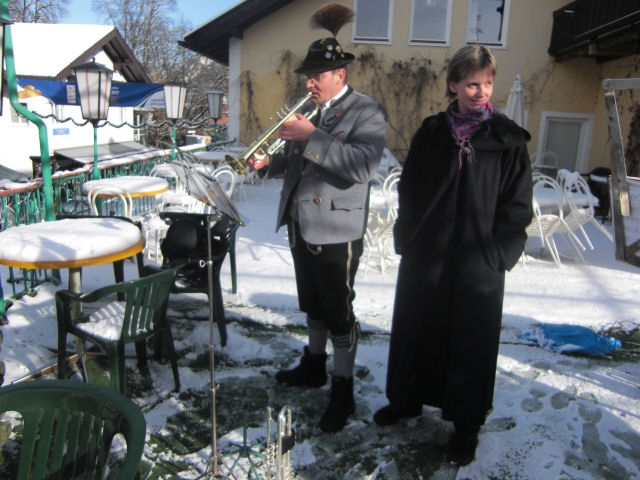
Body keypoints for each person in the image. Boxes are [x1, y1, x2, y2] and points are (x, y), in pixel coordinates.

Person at [373, 45, 533, 465]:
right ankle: (406, 399)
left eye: (487, 83)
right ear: (454, 84)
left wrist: (500, 253)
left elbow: (517, 205)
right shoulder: (432, 133)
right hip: (426, 255)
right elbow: (409, 188)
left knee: (470, 342)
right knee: (417, 328)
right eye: (472, 83)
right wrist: (407, 237)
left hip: (478, 262)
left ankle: (466, 424)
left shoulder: (507, 140)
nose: (481, 92)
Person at [247, 12, 387, 432]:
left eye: (317, 76)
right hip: (300, 221)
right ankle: (314, 365)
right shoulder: (311, 111)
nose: (309, 83)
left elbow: (362, 166)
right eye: (308, 76)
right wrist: (267, 165)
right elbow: (297, 163)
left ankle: (343, 390)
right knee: (311, 303)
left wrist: (311, 136)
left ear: (340, 74)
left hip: (336, 229)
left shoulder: (367, 111)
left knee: (338, 311)